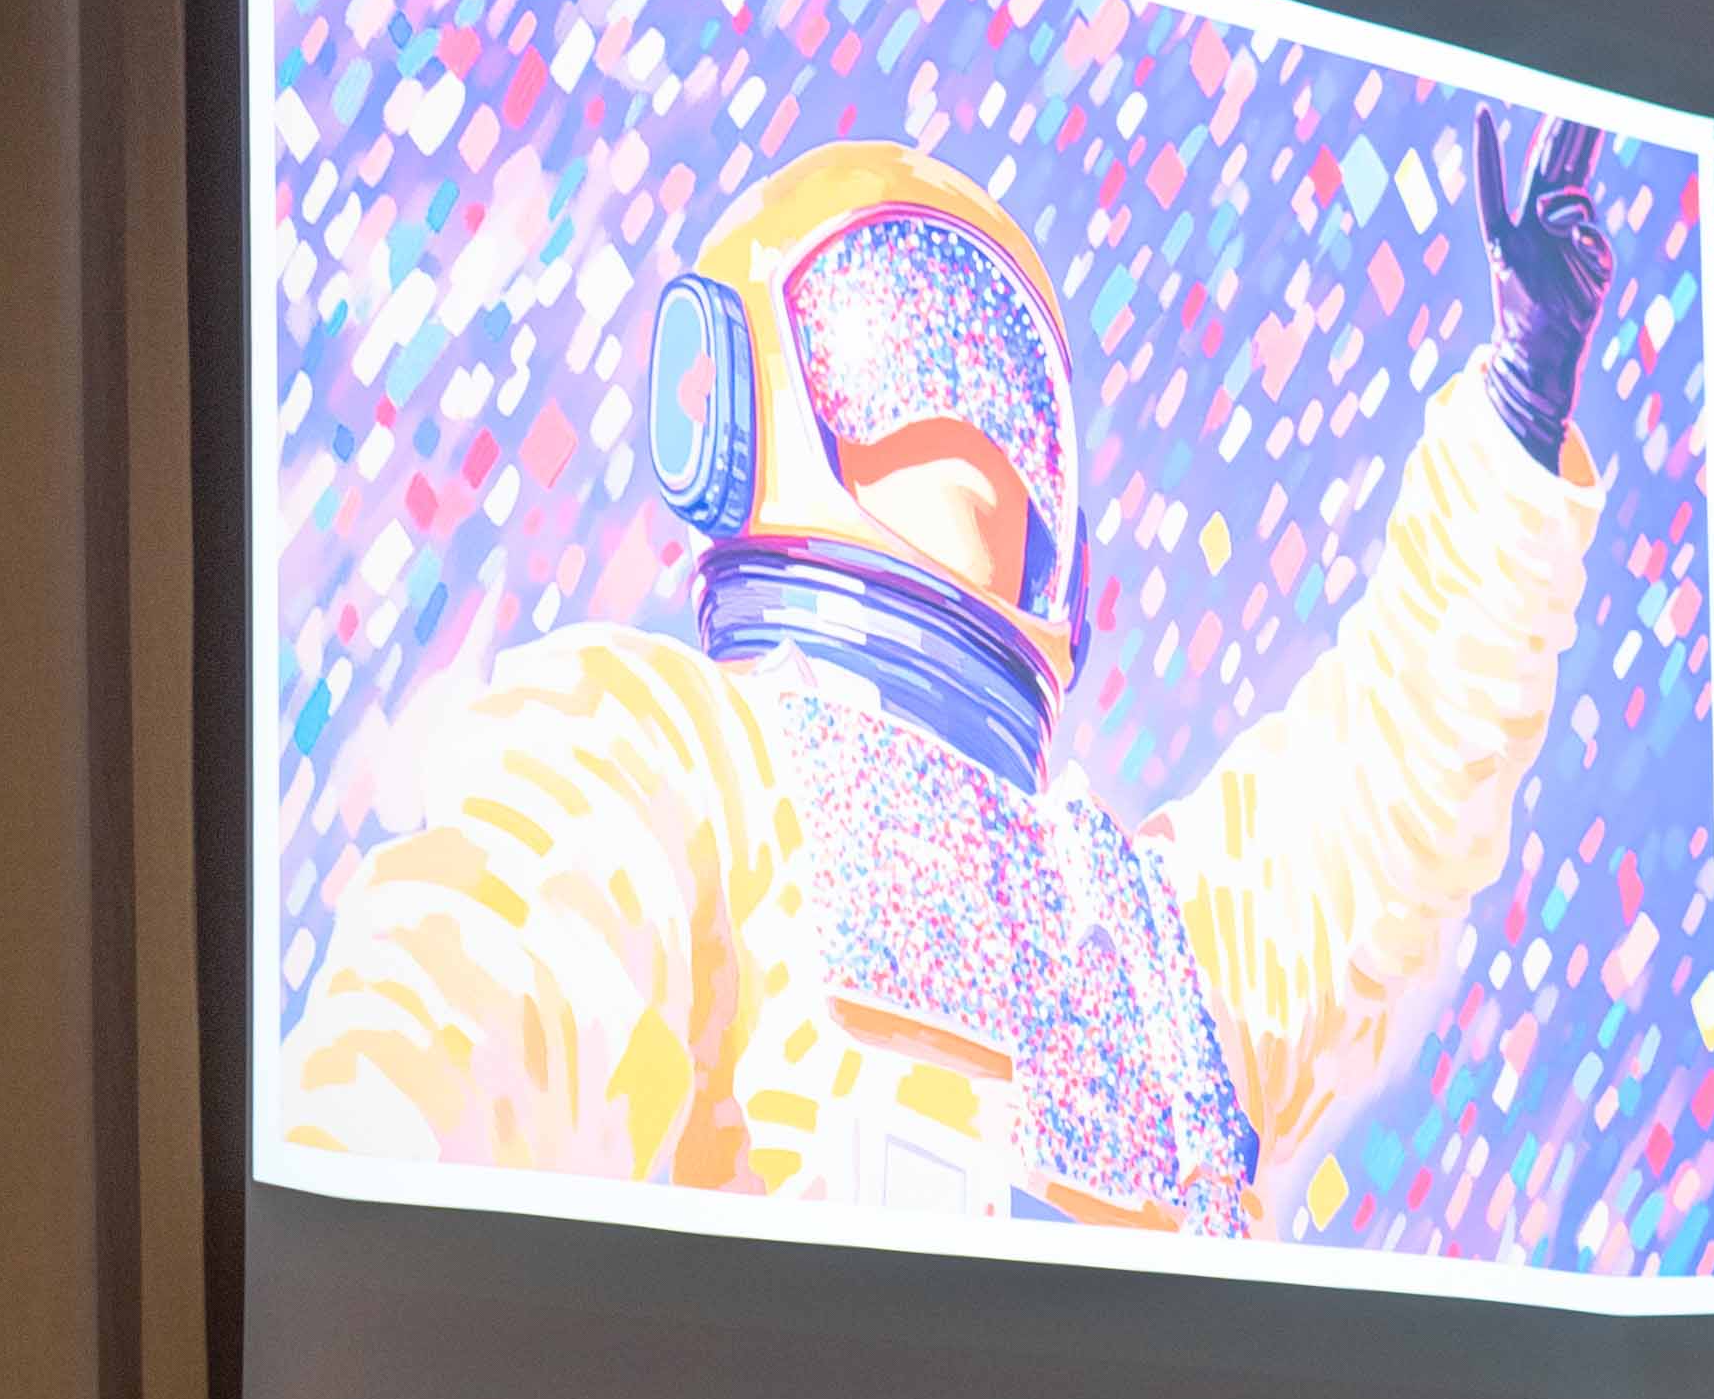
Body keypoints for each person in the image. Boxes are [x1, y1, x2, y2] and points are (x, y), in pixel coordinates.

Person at [281, 108, 1613, 1238]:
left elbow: (1386, 799)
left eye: (1002, 391)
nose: (973, 438)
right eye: (908, 362)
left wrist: (1517, 418)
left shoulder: (1147, 946)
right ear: (732, 402)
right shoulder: (665, 764)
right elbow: (437, 1071)